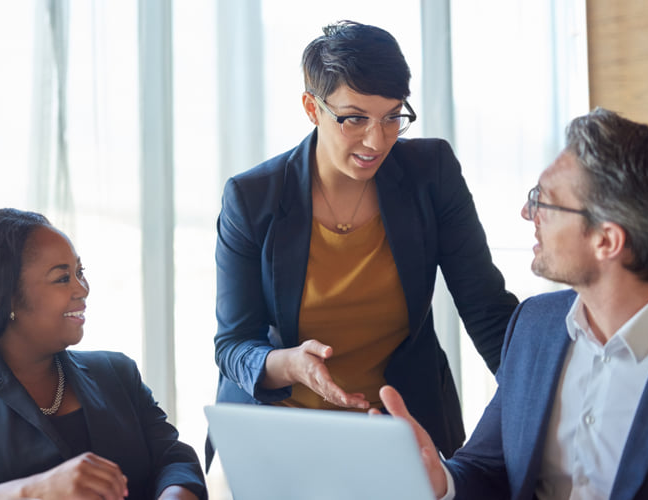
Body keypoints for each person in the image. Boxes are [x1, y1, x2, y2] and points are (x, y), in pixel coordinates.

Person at [211, 19, 518, 464]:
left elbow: (486, 309)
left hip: (401, 428)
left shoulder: (431, 173)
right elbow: (234, 344)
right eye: (354, 118)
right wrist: (289, 364)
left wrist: (546, 406)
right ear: (311, 108)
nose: (377, 140)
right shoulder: (253, 197)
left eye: (393, 116)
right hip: (284, 431)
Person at [376, 108, 648, 499]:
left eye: (546, 201)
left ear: (606, 240)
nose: (528, 213)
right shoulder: (534, 325)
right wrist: (442, 479)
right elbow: (486, 468)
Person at [0, 209, 207, 500]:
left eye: (80, 273)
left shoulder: (117, 373)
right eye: (62, 278)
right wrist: (34, 491)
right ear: (5, 297)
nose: (83, 289)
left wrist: (175, 495)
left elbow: (174, 459)